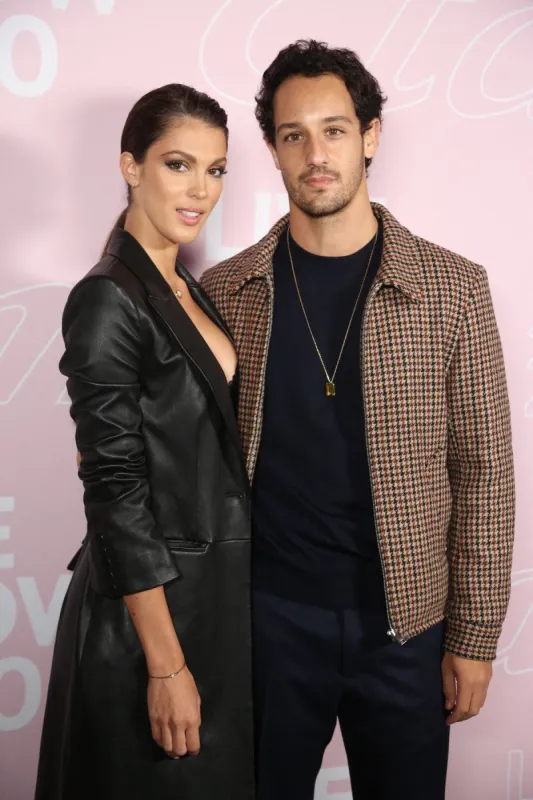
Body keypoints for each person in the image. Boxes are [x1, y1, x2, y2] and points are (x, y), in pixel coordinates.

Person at [200, 40, 515, 800]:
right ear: (272, 151)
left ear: (370, 137)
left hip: (404, 628)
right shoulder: (226, 290)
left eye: (334, 130)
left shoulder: (452, 289)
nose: (316, 153)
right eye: (293, 134)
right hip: (267, 624)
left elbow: (485, 475)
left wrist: (472, 640)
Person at [35, 84, 254, 800]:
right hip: (151, 622)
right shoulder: (107, 296)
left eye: (216, 169)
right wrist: (165, 664)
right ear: (131, 166)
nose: (200, 190)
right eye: (178, 164)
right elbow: (116, 493)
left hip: (212, 605)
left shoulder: (184, 285)